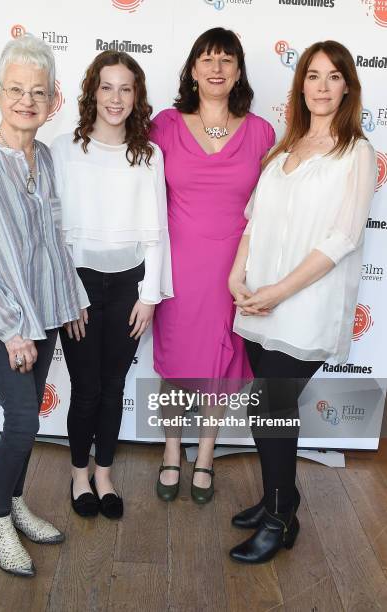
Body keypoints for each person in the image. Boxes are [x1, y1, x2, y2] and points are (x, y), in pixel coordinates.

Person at [0, 34, 89, 577]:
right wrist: (10, 329)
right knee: (24, 421)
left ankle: (18, 501)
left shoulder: (45, 157)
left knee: (25, 421)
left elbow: (53, 239)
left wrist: (71, 298)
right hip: (4, 318)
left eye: (37, 92)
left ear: (53, 101)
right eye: (15, 90)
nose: (26, 101)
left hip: (45, 310)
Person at [228, 40, 377, 563]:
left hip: (305, 302)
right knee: (270, 408)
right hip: (259, 299)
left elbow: (342, 238)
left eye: (333, 76)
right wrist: (236, 276)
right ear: (301, 85)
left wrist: (278, 292)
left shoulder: (357, 153)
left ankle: (279, 517)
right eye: (313, 75)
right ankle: (280, 497)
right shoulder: (283, 150)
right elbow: (254, 220)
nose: (321, 85)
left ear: (347, 87)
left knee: (269, 404)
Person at [151, 27, 274, 504]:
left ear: (238, 70)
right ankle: (171, 447)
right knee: (176, 360)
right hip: (177, 266)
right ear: (193, 70)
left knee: (221, 360)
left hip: (234, 268)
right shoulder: (163, 125)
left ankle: (205, 452)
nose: (217, 67)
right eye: (207, 58)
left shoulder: (262, 131)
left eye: (226, 59)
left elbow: (272, 208)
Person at [51, 51, 172, 520]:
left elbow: (156, 229)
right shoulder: (64, 149)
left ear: (136, 95)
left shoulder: (149, 154)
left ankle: (104, 473)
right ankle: (79, 472)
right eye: (107, 87)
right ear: (92, 92)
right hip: (77, 283)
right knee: (85, 387)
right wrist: (68, 293)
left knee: (113, 383)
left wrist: (150, 296)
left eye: (125, 88)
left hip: (129, 286)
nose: (115, 98)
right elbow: (55, 231)